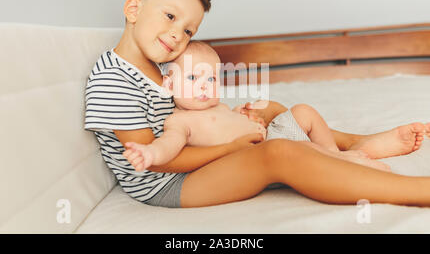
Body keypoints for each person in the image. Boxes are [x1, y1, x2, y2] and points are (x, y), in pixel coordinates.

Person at [85, 0, 430, 209]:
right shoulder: (113, 80)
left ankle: (351, 145)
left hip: (197, 148)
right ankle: (413, 190)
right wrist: (234, 146)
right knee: (275, 153)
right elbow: (157, 162)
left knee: (269, 108)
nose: (178, 34)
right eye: (170, 16)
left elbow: (193, 107)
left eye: (189, 30)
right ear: (133, 8)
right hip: (171, 184)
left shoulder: (161, 62)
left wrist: (236, 119)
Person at [122, 41, 392, 173]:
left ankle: (332, 150)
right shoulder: (179, 122)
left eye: (212, 79)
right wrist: (150, 154)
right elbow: (169, 145)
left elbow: (228, 122)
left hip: (272, 133)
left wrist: (241, 115)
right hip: (267, 152)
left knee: (303, 111)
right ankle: (344, 162)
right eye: (193, 78)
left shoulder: (216, 107)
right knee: (300, 149)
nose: (204, 86)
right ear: (169, 85)